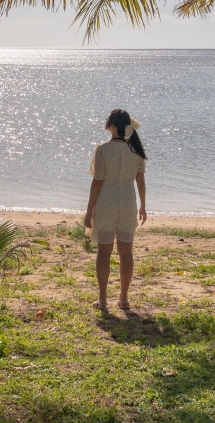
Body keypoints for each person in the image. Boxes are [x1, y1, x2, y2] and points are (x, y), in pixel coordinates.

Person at [84, 108, 147, 310]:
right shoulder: (135, 149)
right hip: (128, 201)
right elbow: (140, 180)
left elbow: (97, 182)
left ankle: (103, 299)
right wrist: (143, 206)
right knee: (126, 252)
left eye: (107, 119)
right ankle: (123, 298)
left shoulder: (103, 149)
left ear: (113, 126)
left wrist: (88, 210)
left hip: (106, 202)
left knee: (104, 252)